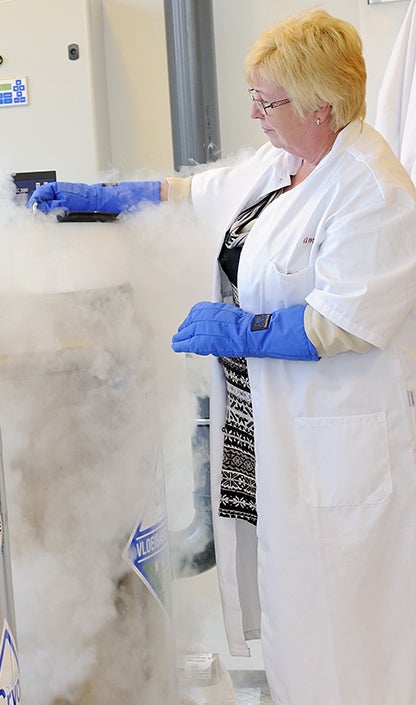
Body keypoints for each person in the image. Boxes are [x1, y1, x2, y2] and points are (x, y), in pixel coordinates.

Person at [30, 10, 416, 705]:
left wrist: (240, 330)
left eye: (267, 101)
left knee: (349, 644)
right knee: (298, 629)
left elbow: (339, 325)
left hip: (339, 452)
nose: (254, 112)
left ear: (322, 105)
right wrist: (106, 196)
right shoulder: (286, 163)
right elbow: (194, 193)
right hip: (278, 444)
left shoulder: (374, 190)